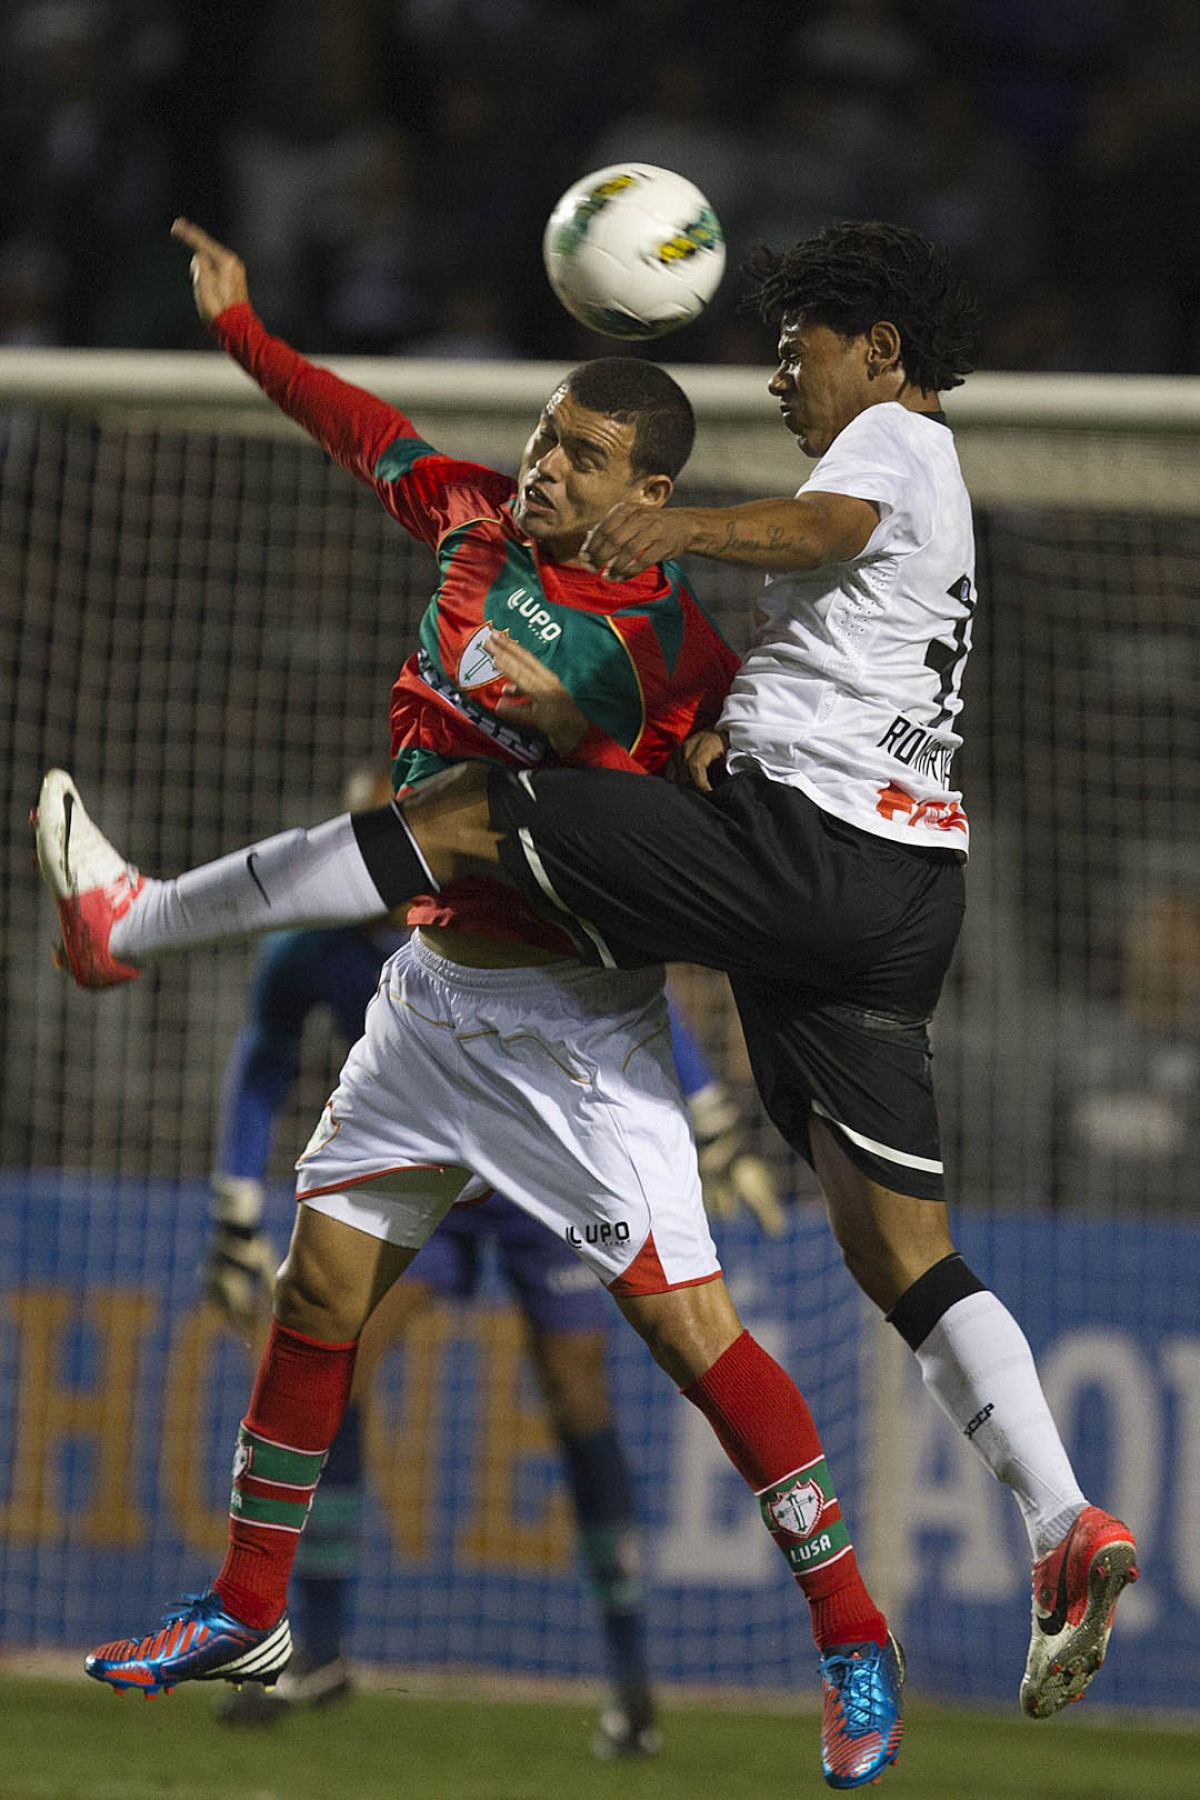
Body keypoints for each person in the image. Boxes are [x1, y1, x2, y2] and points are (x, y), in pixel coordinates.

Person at [36, 218, 1139, 1728]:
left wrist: (590, 716)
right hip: (443, 1007)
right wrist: (244, 337)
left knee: (691, 1326)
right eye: (545, 439)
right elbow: (370, 434)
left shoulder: (767, 555)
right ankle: (248, 1611)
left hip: (592, 1019)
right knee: (876, 1256)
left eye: (580, 453)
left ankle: (851, 1636)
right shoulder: (474, 519)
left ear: (649, 490)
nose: (545, 466)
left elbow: (764, 634)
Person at [208, 772, 779, 1752]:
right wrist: (234, 1211)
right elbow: (262, 1055)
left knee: (575, 1398)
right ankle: (321, 1648)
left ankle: (633, 1683)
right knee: (325, 1362)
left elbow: (620, 979)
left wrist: (711, 1109)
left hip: (535, 1185)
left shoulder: (498, 897)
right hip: (422, 1180)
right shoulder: (313, 943)